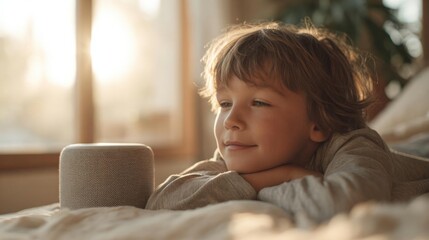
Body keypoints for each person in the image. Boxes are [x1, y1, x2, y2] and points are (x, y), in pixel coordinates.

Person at [145, 21, 429, 223]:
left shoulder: (354, 145)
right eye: (225, 103)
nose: (231, 120)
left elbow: (345, 202)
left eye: (259, 102)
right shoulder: (238, 152)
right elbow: (162, 200)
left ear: (318, 123)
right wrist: (282, 176)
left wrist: (248, 185)